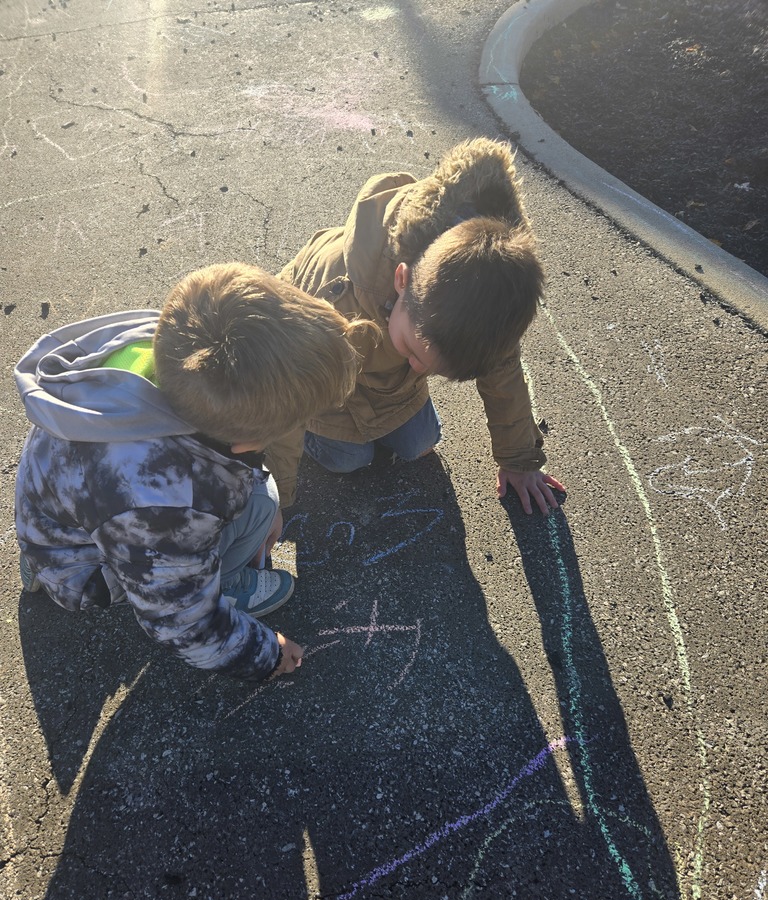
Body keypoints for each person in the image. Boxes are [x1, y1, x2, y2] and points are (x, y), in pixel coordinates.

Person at [14, 262, 359, 683]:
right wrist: (263, 653)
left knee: (258, 501)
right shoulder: (163, 504)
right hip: (87, 570)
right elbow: (181, 622)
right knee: (259, 506)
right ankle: (227, 587)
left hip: (52, 520)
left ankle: (39, 559)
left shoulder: (165, 351)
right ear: (248, 443)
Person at [267, 137, 565, 515]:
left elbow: (502, 372)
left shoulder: (488, 296)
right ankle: (323, 434)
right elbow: (290, 386)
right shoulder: (336, 297)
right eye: (415, 351)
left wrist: (519, 460)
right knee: (349, 459)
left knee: (420, 443)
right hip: (321, 377)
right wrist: (276, 499)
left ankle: (383, 397)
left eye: (435, 368)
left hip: (383, 369)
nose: (420, 368)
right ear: (401, 279)